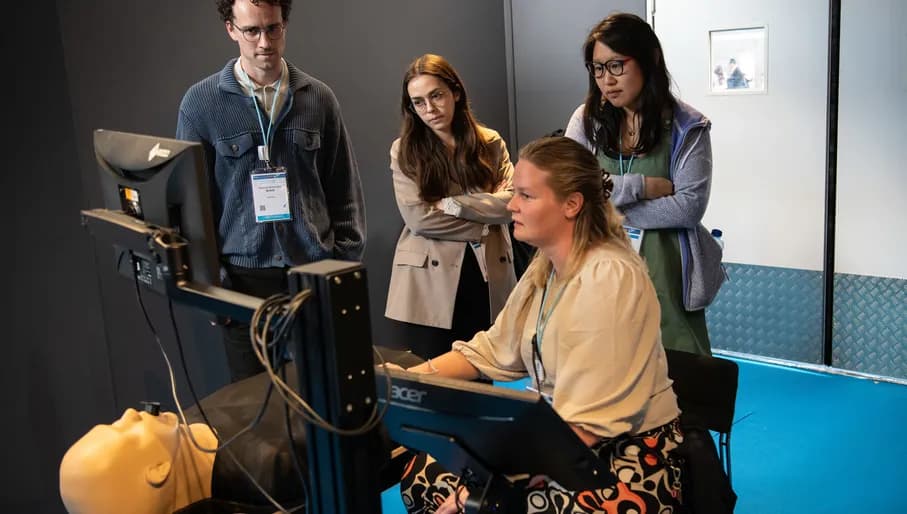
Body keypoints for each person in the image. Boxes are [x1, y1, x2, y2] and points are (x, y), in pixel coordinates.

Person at [398, 136, 683, 514]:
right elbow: (492, 347)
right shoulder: (547, 265)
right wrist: (405, 380)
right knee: (423, 469)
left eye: (527, 196)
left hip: (624, 458)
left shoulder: (609, 278)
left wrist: (482, 490)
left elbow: (588, 425)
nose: (511, 205)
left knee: (483, 504)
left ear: (572, 204)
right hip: (565, 438)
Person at [176, 0, 366, 382]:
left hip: (314, 274)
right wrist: (216, 288)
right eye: (252, 31)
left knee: (323, 400)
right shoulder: (201, 104)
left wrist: (340, 269)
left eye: (273, 28)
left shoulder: (318, 99)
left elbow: (344, 194)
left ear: (284, 25)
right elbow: (192, 210)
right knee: (256, 411)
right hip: (244, 281)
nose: (265, 42)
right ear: (231, 29)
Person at [564, 13, 724, 356]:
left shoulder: (688, 126)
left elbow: (687, 208)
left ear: (650, 58)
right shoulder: (587, 120)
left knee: (677, 375)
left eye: (617, 65)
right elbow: (571, 190)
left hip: (666, 271)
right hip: (599, 263)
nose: (607, 80)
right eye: (598, 68)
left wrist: (605, 199)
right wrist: (641, 186)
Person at [385, 54, 517, 360]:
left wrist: (451, 205)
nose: (429, 109)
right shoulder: (404, 151)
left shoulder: (490, 143)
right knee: (437, 375)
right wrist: (486, 217)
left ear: (455, 92)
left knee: (487, 368)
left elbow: (512, 205)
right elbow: (420, 220)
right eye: (418, 102)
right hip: (431, 279)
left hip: (488, 269)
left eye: (436, 96)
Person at [60, 408, 218, 514]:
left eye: (116, 423)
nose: (130, 413)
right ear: (159, 469)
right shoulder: (239, 464)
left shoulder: (187, 414)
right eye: (128, 433)